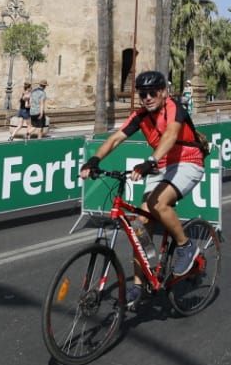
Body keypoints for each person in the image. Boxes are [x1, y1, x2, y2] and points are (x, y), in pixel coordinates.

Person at [83, 71, 204, 295]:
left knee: (159, 203)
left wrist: (150, 161)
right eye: (143, 94)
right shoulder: (140, 116)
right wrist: (94, 160)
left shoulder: (174, 107)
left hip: (188, 161)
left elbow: (170, 135)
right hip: (161, 164)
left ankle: (186, 246)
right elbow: (115, 138)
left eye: (152, 92)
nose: (147, 98)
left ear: (164, 92)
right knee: (140, 225)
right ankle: (139, 284)